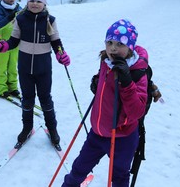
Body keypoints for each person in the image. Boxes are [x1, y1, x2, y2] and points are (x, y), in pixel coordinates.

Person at [62, 19, 148, 187]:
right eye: (109, 42)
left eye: (120, 44)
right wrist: (96, 82)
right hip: (97, 132)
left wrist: (127, 82)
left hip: (122, 137)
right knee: (78, 169)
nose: (113, 48)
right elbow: (104, 85)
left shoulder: (137, 72)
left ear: (130, 47)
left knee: (119, 177)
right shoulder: (106, 61)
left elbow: (137, 112)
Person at [0, 0, 70, 145]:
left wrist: (61, 54)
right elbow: (13, 41)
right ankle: (27, 128)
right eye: (32, 0)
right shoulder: (21, 19)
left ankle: (52, 128)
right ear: (27, 2)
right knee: (27, 99)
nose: (35, 4)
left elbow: (56, 42)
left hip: (44, 68)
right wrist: (2, 45)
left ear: (44, 3)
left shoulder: (49, 20)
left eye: (38, 1)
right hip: (25, 68)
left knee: (45, 99)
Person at [0, 0, 22, 98]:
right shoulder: (0, 9)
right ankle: (1, 87)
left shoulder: (18, 8)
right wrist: (10, 17)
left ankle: (13, 87)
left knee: (13, 66)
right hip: (2, 43)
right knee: (2, 66)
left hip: (15, 42)